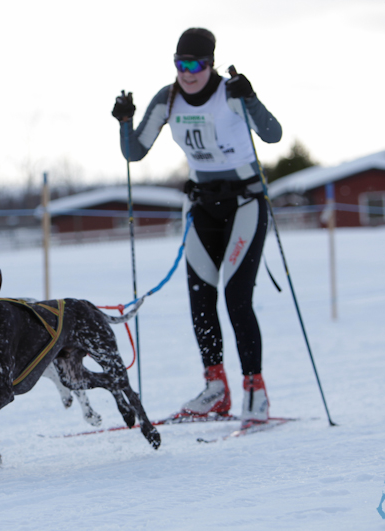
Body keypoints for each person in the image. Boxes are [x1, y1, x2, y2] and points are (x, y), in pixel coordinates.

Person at [111, 27, 282, 428]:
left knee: (237, 299)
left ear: (211, 64)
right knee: (201, 300)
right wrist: (124, 121)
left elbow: (272, 135)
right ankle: (215, 388)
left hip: (244, 204)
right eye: (180, 64)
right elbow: (134, 152)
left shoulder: (230, 93)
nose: (187, 73)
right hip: (202, 207)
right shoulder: (168, 98)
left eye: (196, 65)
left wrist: (251, 97)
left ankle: (255, 390)